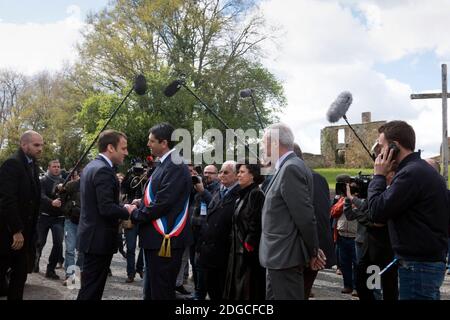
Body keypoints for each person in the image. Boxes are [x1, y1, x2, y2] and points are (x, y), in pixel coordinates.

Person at [368, 120, 449, 300]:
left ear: (394, 146)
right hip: (424, 263)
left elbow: (377, 212)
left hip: (418, 266)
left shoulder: (410, 174)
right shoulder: (421, 171)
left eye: (381, 147)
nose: (378, 154)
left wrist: (378, 176)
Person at [260, 123, 325, 300]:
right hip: (278, 257)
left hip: (285, 257)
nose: (260, 146)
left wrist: (313, 251)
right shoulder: (284, 167)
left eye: (263, 141)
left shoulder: (291, 168)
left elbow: (304, 216)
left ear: (274, 143)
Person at [130, 123, 192, 300]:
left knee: (161, 292)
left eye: (151, 141)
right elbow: (158, 196)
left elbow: (163, 203)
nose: (148, 144)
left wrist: (135, 214)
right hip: (155, 240)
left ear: (164, 143)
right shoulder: (165, 164)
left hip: (165, 240)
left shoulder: (175, 166)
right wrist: (140, 202)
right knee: (151, 291)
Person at [76, 129, 133, 300]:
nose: (126, 152)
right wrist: (127, 210)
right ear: (110, 147)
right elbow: (106, 208)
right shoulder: (103, 170)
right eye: (123, 148)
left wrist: (124, 205)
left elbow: (99, 203)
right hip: (98, 241)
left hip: (91, 239)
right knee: (91, 290)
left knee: (89, 287)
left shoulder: (91, 166)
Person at [0, 130, 44, 300]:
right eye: (36, 145)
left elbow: (32, 197)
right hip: (10, 234)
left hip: (26, 233)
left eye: (42, 145)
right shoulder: (12, 163)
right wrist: (16, 230)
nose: (40, 148)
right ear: (24, 145)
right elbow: (7, 200)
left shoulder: (32, 164)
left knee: (19, 277)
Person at [293, 144, 336, 299]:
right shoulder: (319, 178)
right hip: (317, 244)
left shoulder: (294, 176)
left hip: (300, 248)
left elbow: (307, 216)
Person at [197, 161, 240, 300]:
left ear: (236, 175)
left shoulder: (239, 194)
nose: (221, 175)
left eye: (226, 172)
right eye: (220, 171)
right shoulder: (217, 191)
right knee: (212, 289)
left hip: (224, 254)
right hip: (208, 252)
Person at [223, 161, 265, 300]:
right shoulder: (242, 195)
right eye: (238, 172)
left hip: (247, 256)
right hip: (236, 253)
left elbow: (255, 224)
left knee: (247, 292)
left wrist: (248, 245)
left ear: (252, 175)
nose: (238, 175)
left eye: (242, 172)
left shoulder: (256, 194)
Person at [190, 165, 220, 299]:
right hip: (194, 231)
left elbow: (215, 205)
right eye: (205, 172)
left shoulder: (218, 188)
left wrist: (203, 191)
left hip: (206, 233)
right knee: (194, 264)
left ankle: (201, 294)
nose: (207, 175)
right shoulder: (198, 186)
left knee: (202, 266)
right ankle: (197, 292)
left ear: (217, 175)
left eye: (211, 173)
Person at [34, 159, 65, 280]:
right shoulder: (43, 180)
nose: (57, 168)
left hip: (58, 218)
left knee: (58, 244)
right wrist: (52, 202)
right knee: (39, 242)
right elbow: (40, 196)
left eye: (58, 166)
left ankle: (50, 269)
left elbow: (67, 198)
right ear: (49, 167)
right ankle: (35, 262)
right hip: (44, 216)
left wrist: (63, 193)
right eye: (54, 166)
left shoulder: (64, 182)